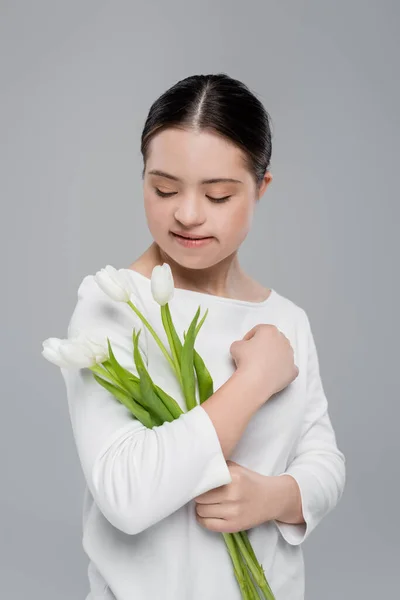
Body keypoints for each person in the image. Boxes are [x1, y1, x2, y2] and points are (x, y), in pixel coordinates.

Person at [61, 73, 346, 600]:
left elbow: (324, 460)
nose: (187, 214)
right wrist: (253, 382)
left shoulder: (288, 320)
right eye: (163, 188)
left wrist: (276, 497)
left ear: (261, 189)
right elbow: (126, 494)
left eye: (217, 195)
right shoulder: (113, 306)